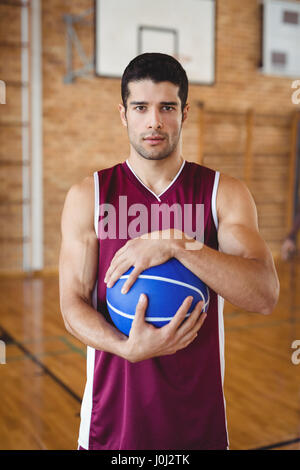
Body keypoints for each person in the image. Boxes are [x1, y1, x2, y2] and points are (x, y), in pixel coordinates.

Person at [59, 53, 280, 451]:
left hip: (199, 427)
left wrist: (178, 243)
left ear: (185, 112)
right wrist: (124, 347)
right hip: (110, 426)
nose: (154, 122)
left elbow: (264, 294)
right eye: (141, 108)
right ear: (123, 114)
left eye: (167, 107)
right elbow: (71, 305)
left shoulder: (222, 194)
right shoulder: (87, 196)